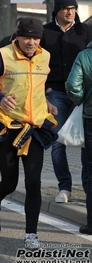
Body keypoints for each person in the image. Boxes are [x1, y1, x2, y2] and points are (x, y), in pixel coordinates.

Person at [0, 18, 58, 250]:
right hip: (9, 128)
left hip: (34, 128)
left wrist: (47, 101)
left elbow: (38, 86)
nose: (31, 42)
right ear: (18, 37)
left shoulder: (46, 57)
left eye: (35, 38)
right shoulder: (3, 55)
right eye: (27, 37)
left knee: (34, 183)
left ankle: (31, 235)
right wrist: (0, 98)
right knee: (10, 183)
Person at [41, 0, 92, 203]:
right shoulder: (45, 32)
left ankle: (88, 188)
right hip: (56, 93)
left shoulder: (85, 31)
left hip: (82, 96)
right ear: (57, 11)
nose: (70, 12)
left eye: (73, 9)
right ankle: (64, 187)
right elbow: (38, 61)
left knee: (86, 143)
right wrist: (44, 90)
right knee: (57, 141)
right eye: (66, 9)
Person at [65, 40, 92, 235]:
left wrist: (82, 99)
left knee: (91, 169)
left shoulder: (84, 55)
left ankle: (91, 223)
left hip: (91, 117)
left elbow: (72, 85)